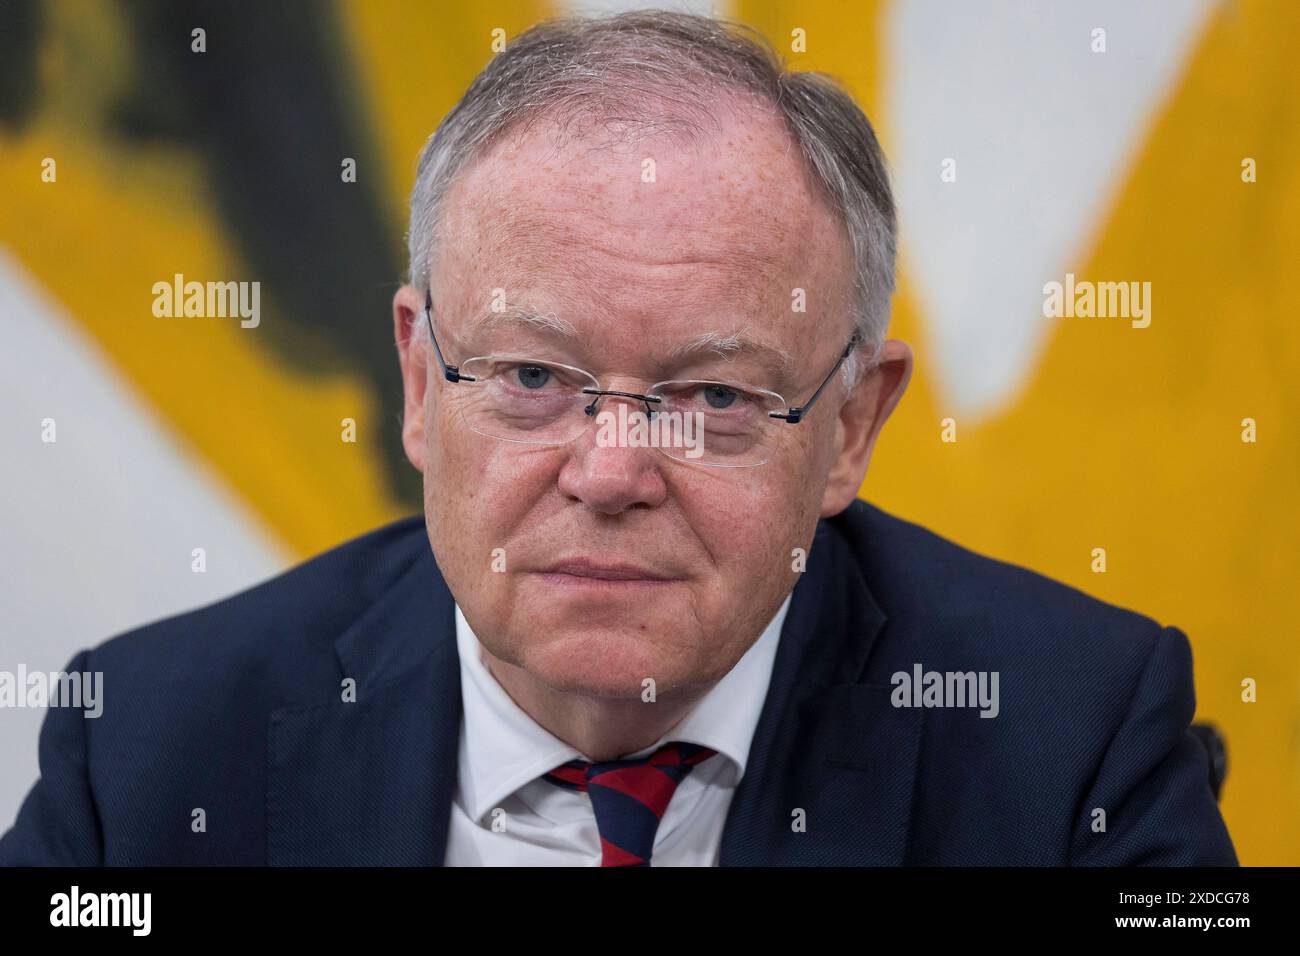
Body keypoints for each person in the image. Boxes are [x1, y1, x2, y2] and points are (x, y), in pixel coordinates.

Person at [0, 10, 1235, 866]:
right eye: (533, 375)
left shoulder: (1073, 746)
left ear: (851, 423)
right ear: (420, 379)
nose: (607, 472)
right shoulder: (154, 747)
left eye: (712, 400)